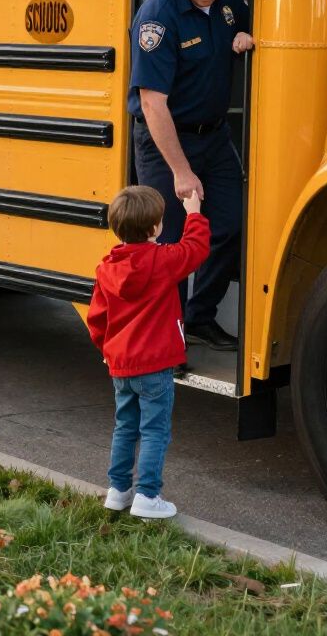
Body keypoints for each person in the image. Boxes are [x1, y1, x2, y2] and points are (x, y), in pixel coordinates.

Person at [128, 0, 254, 352]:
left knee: (231, 225)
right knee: (169, 242)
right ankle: (169, 341)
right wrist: (181, 172)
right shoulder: (158, 17)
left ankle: (201, 317)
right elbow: (152, 103)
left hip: (214, 136)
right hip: (166, 140)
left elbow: (250, 21)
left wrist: (246, 35)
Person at [87, 184, 209, 519]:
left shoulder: (107, 269)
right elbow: (196, 249)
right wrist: (194, 212)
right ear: (155, 227)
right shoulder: (162, 261)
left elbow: (96, 319)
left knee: (125, 427)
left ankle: (118, 490)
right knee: (154, 430)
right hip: (155, 366)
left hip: (121, 366)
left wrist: (106, 349)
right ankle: (147, 496)